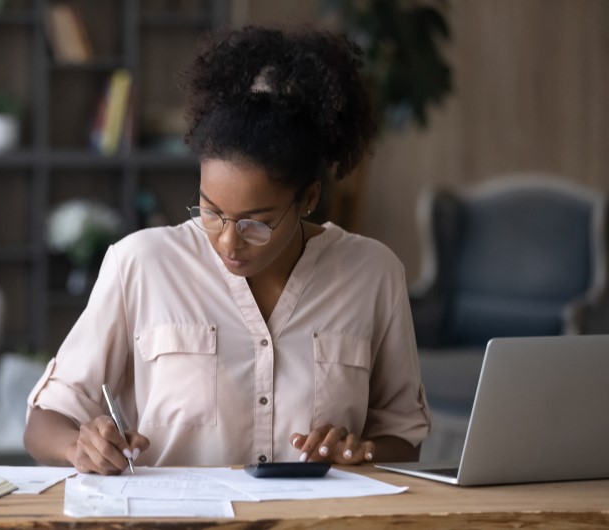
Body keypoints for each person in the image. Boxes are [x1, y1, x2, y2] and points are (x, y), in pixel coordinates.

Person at [24, 25, 430, 475]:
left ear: (309, 199)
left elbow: (404, 438)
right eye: (211, 211)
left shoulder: (373, 274)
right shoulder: (140, 264)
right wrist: (80, 446)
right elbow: (44, 421)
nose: (228, 241)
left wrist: (357, 452)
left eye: (256, 223)